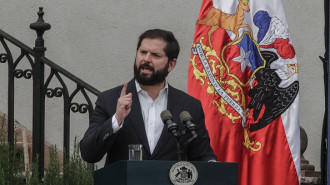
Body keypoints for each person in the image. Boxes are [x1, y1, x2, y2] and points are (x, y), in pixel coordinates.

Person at [80, 29, 217, 166]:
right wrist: (117, 119)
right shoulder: (110, 100)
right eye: (143, 52)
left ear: (171, 64)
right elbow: (88, 153)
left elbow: (203, 156)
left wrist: (215, 167)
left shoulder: (189, 106)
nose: (146, 59)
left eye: (155, 55)